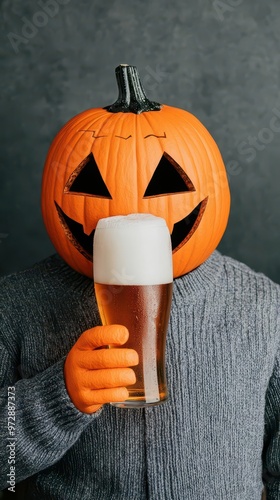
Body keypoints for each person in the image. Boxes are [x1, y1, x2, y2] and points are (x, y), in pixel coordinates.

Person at [0, 65, 279, 499]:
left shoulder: (264, 307)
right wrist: (58, 398)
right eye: (89, 183)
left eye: (166, 182)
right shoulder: (16, 305)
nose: (129, 211)